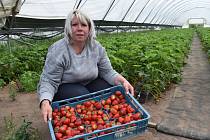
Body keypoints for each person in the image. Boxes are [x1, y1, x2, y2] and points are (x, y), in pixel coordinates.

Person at [37, 9, 134, 123]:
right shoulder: (58, 50)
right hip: (65, 87)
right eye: (74, 25)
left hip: (89, 82)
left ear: (89, 28)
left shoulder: (96, 47)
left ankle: (103, 121)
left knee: (108, 91)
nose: (79, 28)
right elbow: (49, 81)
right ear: (69, 28)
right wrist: (45, 101)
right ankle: (78, 120)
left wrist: (122, 81)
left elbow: (107, 71)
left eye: (83, 25)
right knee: (83, 97)